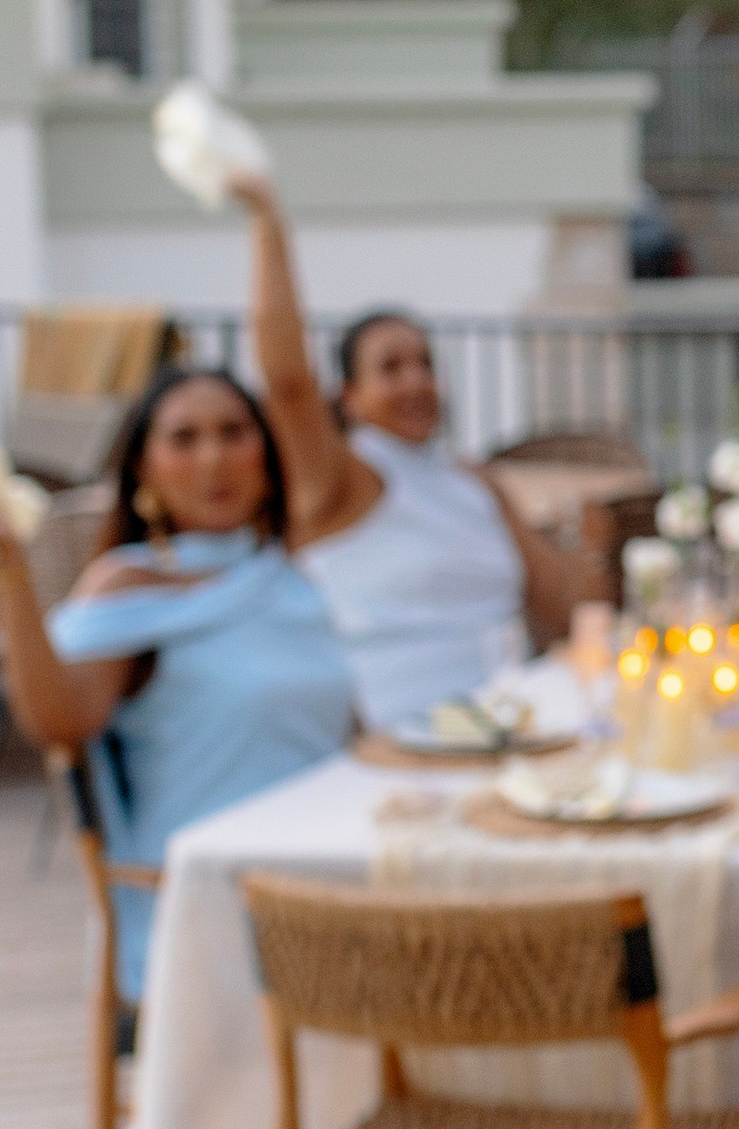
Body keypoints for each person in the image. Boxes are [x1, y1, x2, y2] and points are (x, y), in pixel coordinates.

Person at [0, 365, 357, 1001]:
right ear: (144, 470)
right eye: (184, 439)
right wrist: (10, 565)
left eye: (234, 432)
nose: (214, 458)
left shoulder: (288, 576)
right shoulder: (129, 588)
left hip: (327, 871)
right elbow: (56, 720)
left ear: (266, 452)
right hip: (212, 895)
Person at [234, 178, 581, 726]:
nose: (416, 381)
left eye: (425, 364)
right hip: (399, 731)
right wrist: (268, 223)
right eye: (391, 368)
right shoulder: (343, 479)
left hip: (512, 720)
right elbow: (287, 385)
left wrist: (589, 545)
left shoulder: (476, 482)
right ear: (349, 397)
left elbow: (562, 611)